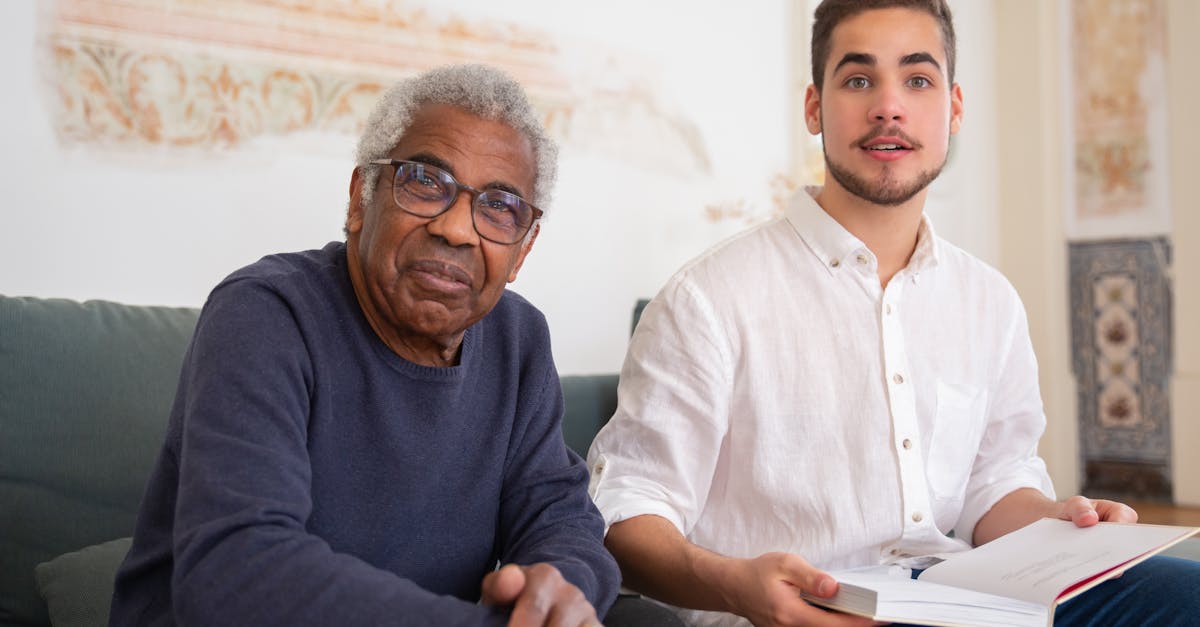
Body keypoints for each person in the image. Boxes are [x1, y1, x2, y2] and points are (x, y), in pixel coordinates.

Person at [586, 1, 1200, 626]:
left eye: (917, 79)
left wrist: (1059, 519)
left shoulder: (988, 301)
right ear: (814, 108)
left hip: (969, 600)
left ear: (953, 107)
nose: (889, 106)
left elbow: (993, 487)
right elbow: (625, 509)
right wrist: (732, 585)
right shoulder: (707, 300)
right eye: (858, 79)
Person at [110, 64, 618, 626]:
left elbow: (561, 518)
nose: (456, 228)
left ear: (522, 251)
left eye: (499, 206)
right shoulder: (265, 313)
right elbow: (238, 570)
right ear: (360, 199)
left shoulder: (518, 340)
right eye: (426, 181)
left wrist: (558, 593)